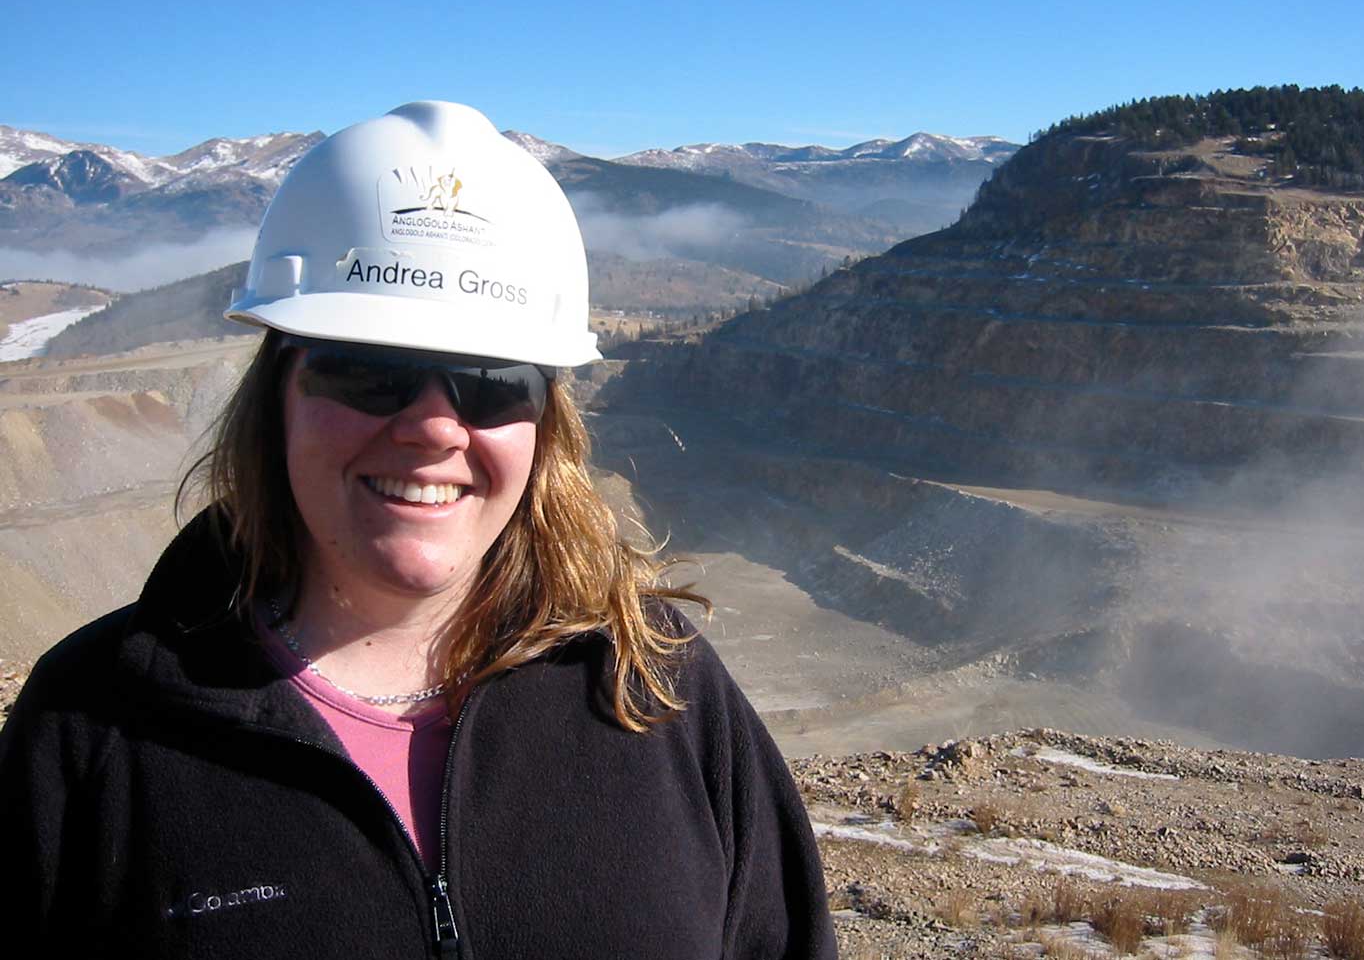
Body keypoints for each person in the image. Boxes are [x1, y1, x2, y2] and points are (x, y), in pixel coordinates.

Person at [0, 101, 838, 958]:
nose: (435, 429)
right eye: (371, 370)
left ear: (546, 425)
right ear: (276, 397)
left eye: (491, 380)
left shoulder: (656, 684)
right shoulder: (90, 729)